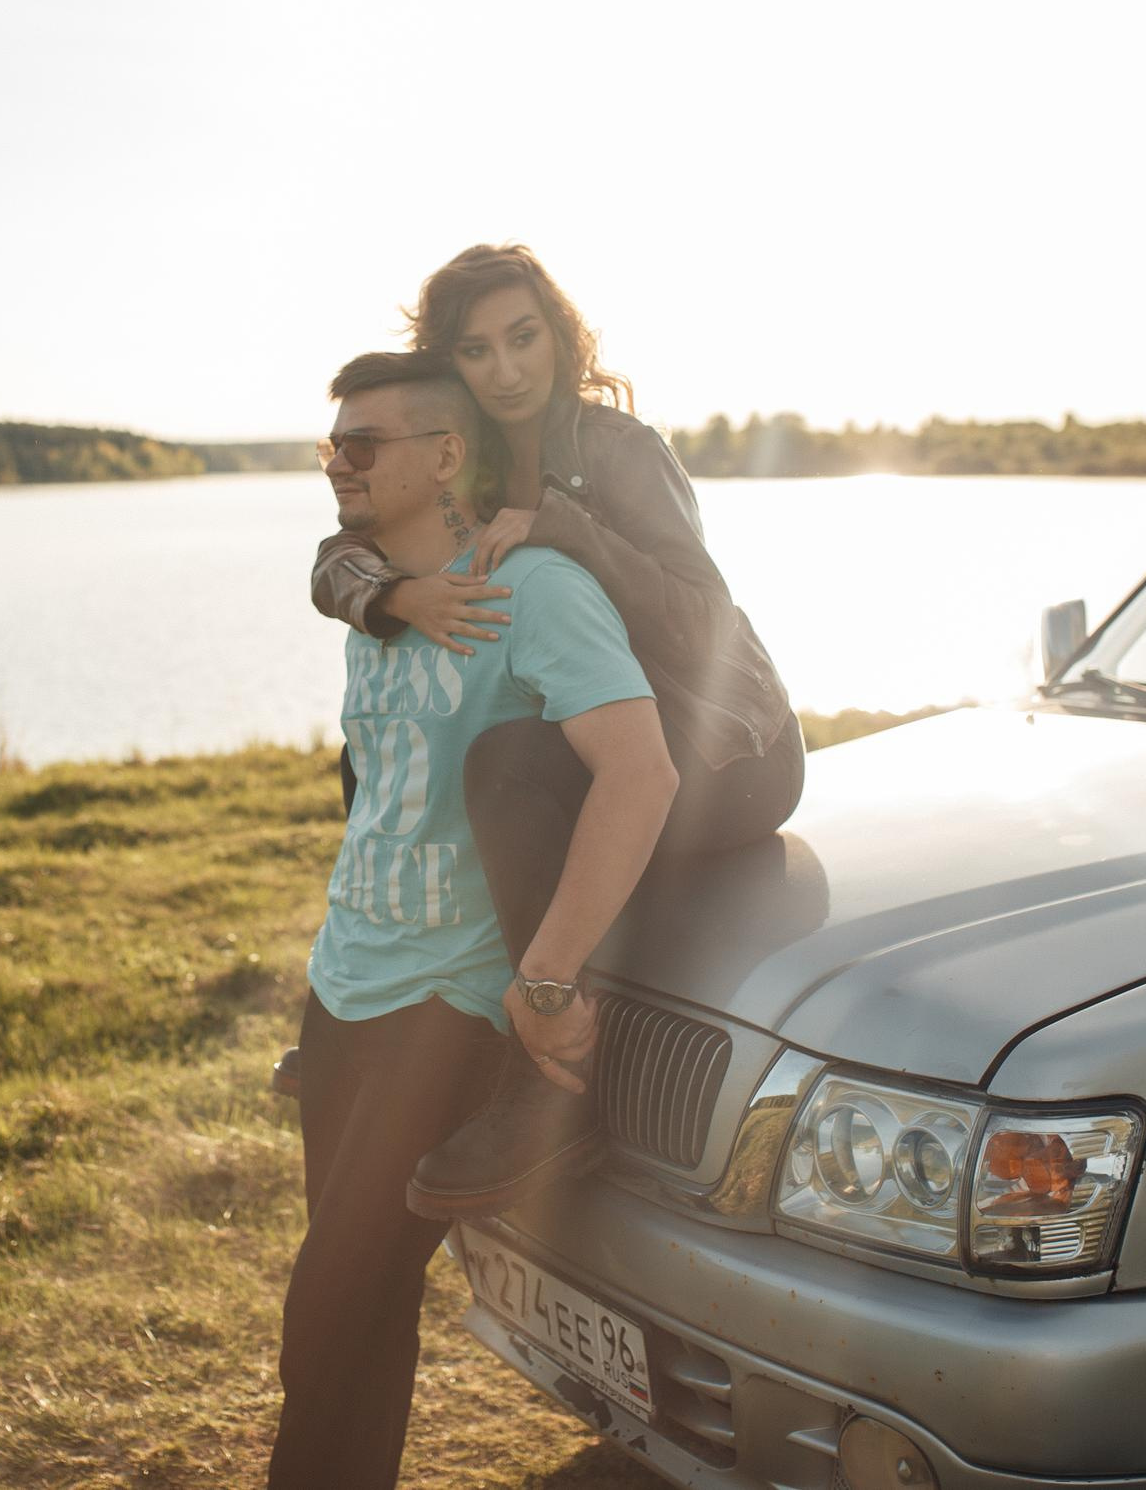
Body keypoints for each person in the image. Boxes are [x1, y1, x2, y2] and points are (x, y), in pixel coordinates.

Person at [306, 243, 804, 1220]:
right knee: (381, 754)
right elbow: (334, 558)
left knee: (505, 763)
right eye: (477, 350)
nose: (506, 370)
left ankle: (549, 1090)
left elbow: (702, 624)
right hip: (594, 727)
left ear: (559, 333)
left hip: (726, 747)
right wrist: (395, 593)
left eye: (523, 338)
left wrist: (569, 532)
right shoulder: (465, 453)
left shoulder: (618, 450)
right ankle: (378, 1022)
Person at [269, 350, 678, 1490]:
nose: (338, 463)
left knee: (330, 1311)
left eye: (365, 444)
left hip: (446, 1006)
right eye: (330, 444)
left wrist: (543, 975)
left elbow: (640, 774)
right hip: (343, 986)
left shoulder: (531, 589)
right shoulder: (377, 597)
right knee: (358, 1310)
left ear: (446, 455)